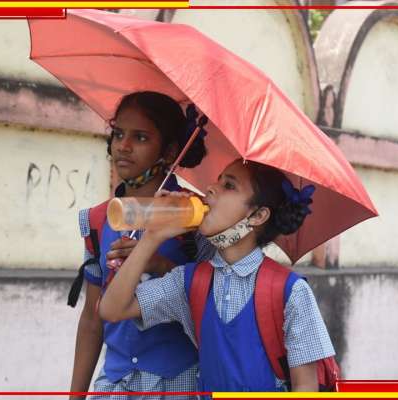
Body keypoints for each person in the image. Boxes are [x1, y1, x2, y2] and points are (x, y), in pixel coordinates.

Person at [99, 159, 336, 393]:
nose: (211, 188)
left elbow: (305, 386)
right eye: (218, 180)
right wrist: (152, 237)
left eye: (229, 186)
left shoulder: (289, 290)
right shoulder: (189, 282)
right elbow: (112, 309)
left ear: (258, 215)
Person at [68, 91, 212, 399]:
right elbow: (93, 319)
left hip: (179, 384)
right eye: (118, 134)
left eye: (141, 137)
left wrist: (160, 264)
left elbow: (211, 303)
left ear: (171, 151)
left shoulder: (197, 217)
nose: (124, 146)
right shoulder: (97, 220)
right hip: (116, 385)